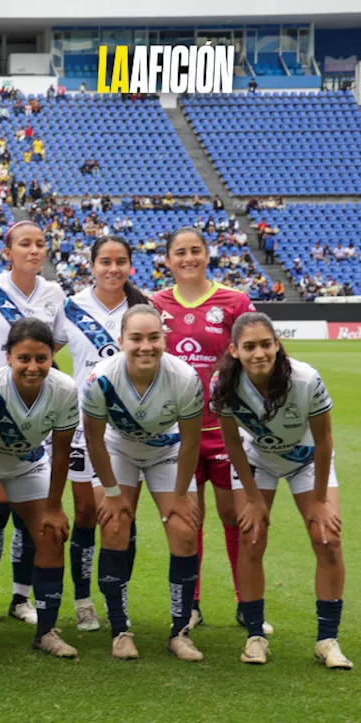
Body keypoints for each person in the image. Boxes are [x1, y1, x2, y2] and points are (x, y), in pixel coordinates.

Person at [211, 312, 351, 669]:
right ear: (234, 350)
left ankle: (327, 640)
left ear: (277, 344)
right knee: (252, 537)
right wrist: (255, 499)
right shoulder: (224, 383)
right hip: (258, 461)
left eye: (265, 344)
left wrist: (319, 500)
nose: (259, 353)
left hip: (307, 459)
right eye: (249, 346)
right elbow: (233, 443)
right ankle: (255, 635)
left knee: (327, 539)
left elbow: (323, 441)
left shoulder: (305, 379)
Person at [151, 227, 266, 634]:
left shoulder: (234, 301)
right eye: (179, 252)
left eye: (195, 251)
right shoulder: (155, 304)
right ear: (167, 259)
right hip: (176, 433)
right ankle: (192, 603)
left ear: (207, 254)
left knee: (236, 516)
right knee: (187, 517)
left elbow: (255, 355)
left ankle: (245, 601)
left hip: (226, 428)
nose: (188, 258)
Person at [81, 305, 207, 662]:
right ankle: (120, 630)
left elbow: (191, 442)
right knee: (116, 526)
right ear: (121, 341)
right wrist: (112, 492)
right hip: (116, 449)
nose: (145, 346)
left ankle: (180, 632)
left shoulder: (184, 377)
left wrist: (182, 494)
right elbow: (94, 440)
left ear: (164, 338)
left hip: (167, 452)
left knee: (184, 530)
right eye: (136, 338)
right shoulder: (100, 379)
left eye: (154, 337)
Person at [0, 318, 79, 660]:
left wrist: (55, 507)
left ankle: (46, 632)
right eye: (24, 358)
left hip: (29, 463)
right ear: (9, 356)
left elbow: (61, 452)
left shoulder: (65, 388)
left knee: (53, 533)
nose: (32, 367)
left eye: (41, 358)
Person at [0, 221, 65, 627]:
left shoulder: (55, 293)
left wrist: (34, 370)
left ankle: (22, 597)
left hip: (36, 412)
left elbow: (54, 345)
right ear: (7, 250)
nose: (34, 250)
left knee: (33, 518)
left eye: (40, 244)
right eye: (25, 243)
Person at [52, 235, 151, 634]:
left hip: (130, 429)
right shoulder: (71, 307)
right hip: (82, 426)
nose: (113, 268)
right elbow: (48, 351)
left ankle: (117, 597)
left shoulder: (144, 309)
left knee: (122, 515)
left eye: (121, 261)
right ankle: (83, 600)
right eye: (105, 261)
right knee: (88, 515)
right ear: (91, 264)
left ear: (130, 266)